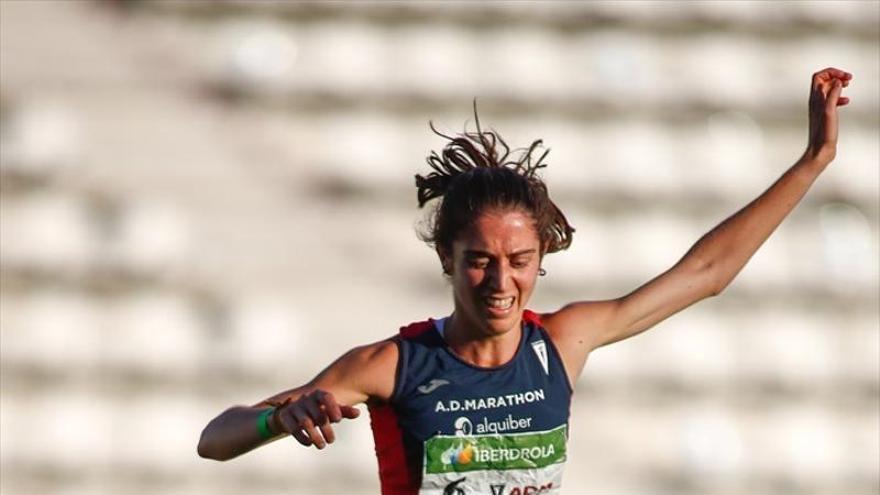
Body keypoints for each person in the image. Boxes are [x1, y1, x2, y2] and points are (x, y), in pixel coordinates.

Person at [197, 68, 853, 494]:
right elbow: (215, 439)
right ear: (447, 260)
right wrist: (280, 417)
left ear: (542, 259)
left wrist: (813, 160)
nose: (500, 281)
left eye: (518, 260)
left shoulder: (561, 343)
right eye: (479, 259)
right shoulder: (394, 364)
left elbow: (706, 272)